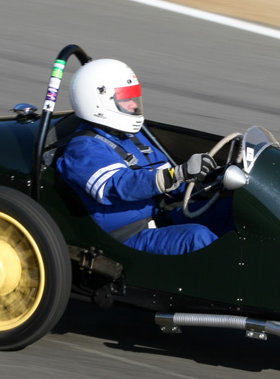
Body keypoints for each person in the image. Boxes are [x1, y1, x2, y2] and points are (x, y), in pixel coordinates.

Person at [55, 58, 234, 255]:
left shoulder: (132, 135)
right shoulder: (84, 149)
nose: (133, 105)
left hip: (161, 216)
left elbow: (169, 179)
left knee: (232, 209)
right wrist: (178, 174)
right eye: (125, 99)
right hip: (127, 238)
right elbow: (119, 186)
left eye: (134, 97)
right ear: (98, 103)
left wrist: (212, 180)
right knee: (197, 238)